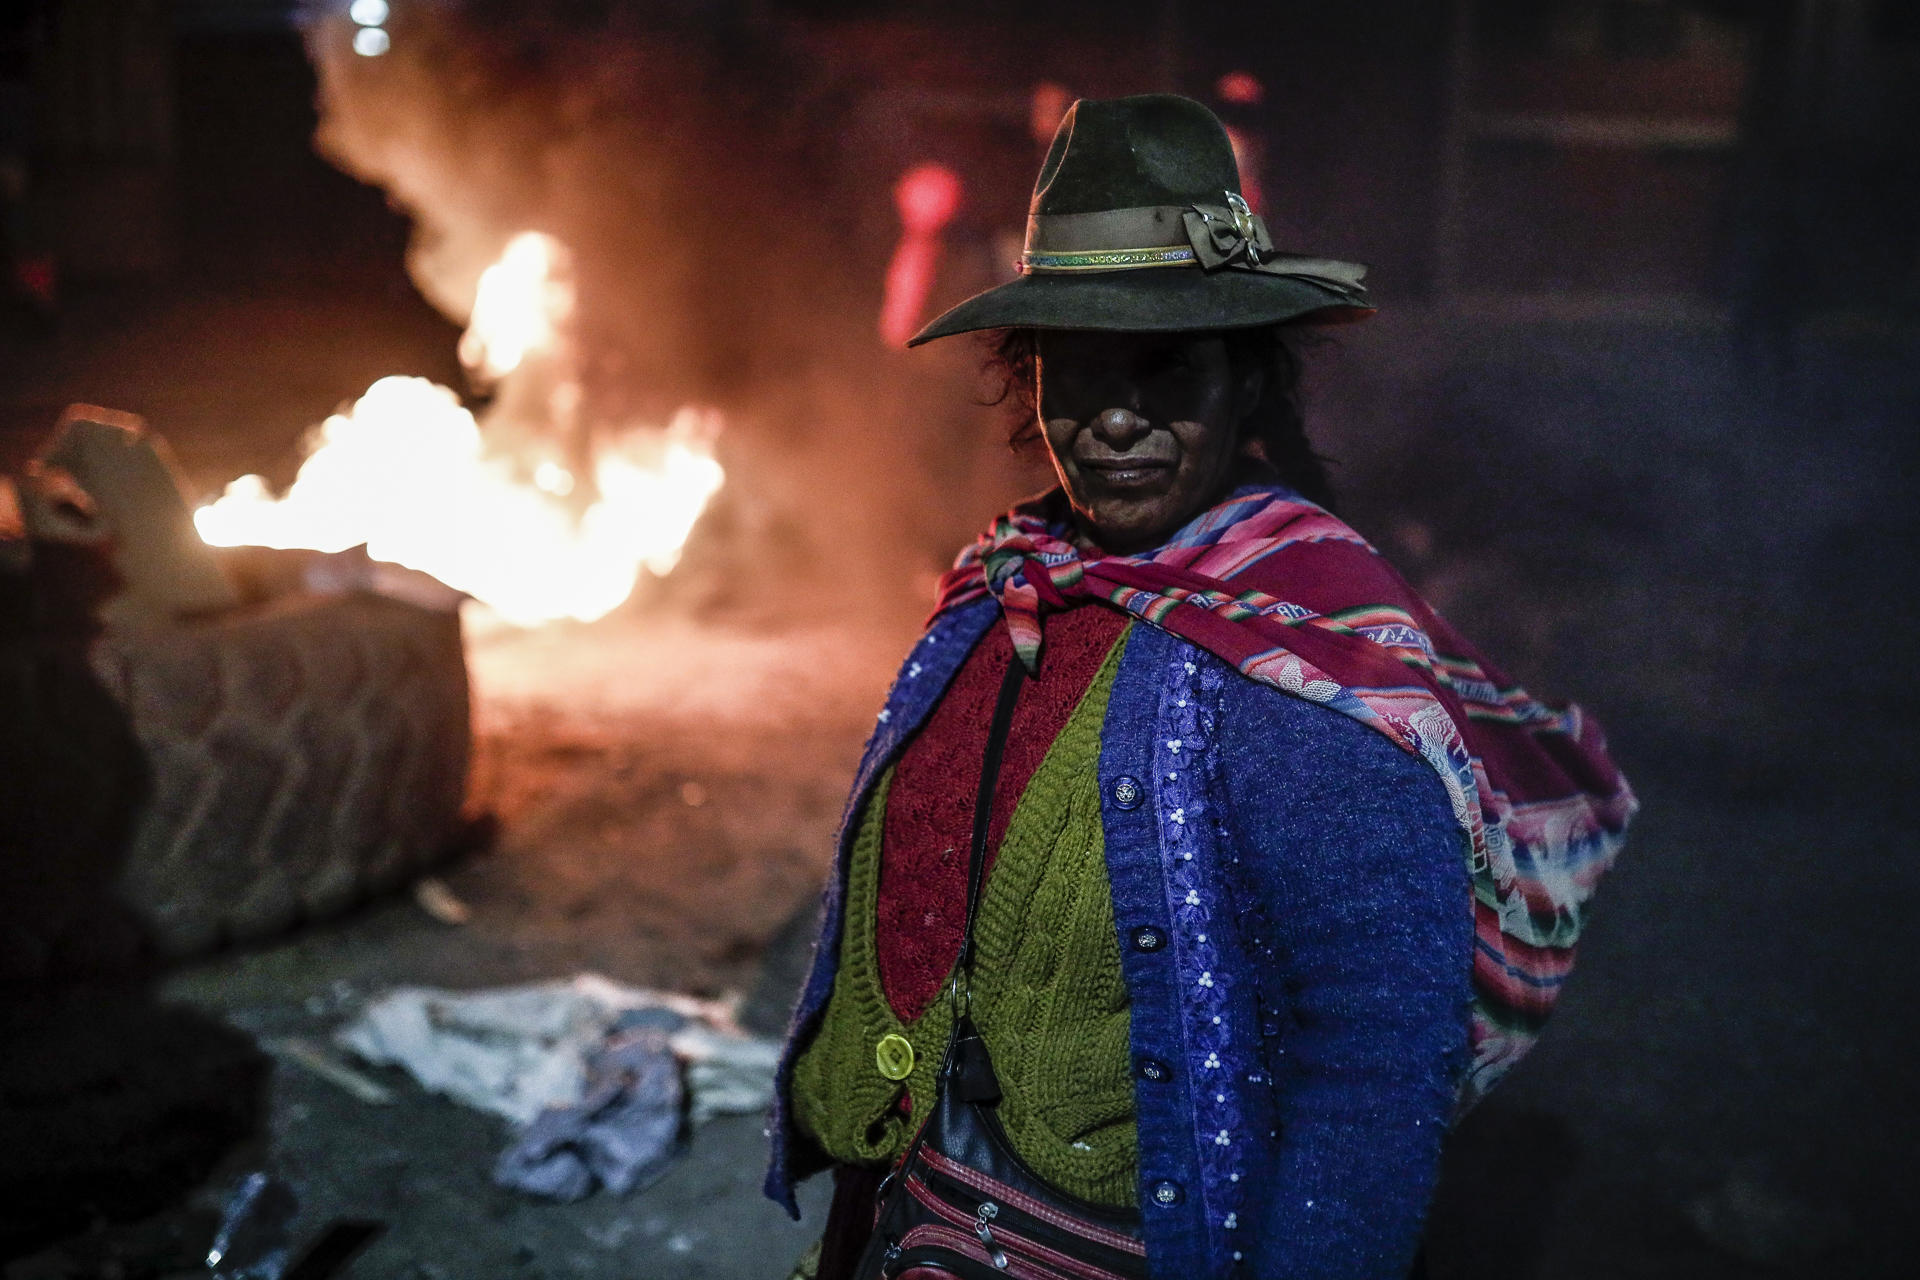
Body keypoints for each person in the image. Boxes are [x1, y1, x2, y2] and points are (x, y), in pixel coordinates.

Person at [764, 94, 1634, 1280]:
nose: (1116, 416)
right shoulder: (1004, 586)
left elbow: (1375, 1074)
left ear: (1246, 383)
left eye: (1165, 368)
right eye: (1077, 368)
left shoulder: (1310, 667)